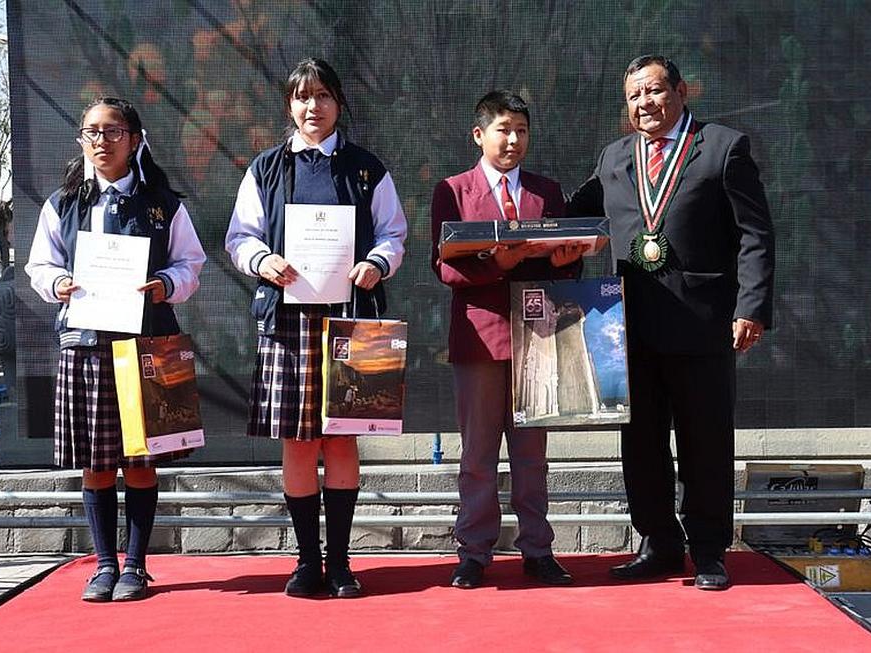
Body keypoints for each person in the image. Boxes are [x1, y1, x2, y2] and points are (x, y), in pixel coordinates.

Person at [568, 55, 775, 590]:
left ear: (681, 91)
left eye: (655, 91)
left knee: (705, 441)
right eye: (634, 96)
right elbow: (569, 217)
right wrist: (512, 223)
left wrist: (750, 306)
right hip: (629, 326)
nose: (645, 105)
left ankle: (709, 551)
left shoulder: (723, 147)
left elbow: (755, 233)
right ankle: (658, 544)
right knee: (639, 444)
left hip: (703, 323)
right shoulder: (614, 157)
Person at [225, 58, 406, 599]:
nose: (312, 107)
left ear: (338, 103)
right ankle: (306, 562)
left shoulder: (367, 168)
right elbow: (239, 236)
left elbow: (394, 234)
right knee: (300, 445)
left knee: (344, 441)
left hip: (353, 320)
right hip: (286, 321)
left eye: (323, 95)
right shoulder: (265, 169)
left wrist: (376, 263)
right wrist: (262, 261)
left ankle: (342, 563)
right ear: (289, 105)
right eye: (302, 97)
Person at [25, 96, 206, 601]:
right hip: (84, 344)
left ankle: (136, 566)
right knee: (97, 461)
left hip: (147, 343)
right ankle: (104, 564)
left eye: (112, 131)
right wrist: (57, 282)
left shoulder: (163, 202)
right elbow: (39, 266)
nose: (101, 141)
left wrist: (166, 283)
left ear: (134, 138)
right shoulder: (63, 203)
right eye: (90, 132)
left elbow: (191, 263)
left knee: (142, 460)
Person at [431, 90, 586, 589]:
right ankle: (474, 554)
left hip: (539, 333)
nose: (514, 139)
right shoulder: (453, 190)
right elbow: (444, 266)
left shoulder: (547, 190)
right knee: (477, 452)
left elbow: (569, 258)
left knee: (532, 453)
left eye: (521, 130)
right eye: (503, 129)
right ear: (479, 135)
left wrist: (569, 261)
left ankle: (538, 549)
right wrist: (494, 264)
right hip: (480, 336)